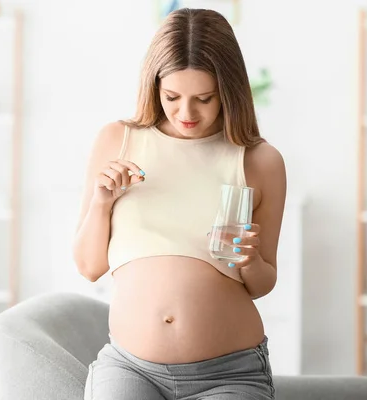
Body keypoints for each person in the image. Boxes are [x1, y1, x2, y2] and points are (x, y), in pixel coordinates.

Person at [72, 7, 286, 400]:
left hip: (229, 373)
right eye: (172, 96)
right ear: (153, 86)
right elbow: (89, 267)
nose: (186, 113)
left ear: (229, 91)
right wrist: (102, 202)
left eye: (204, 98)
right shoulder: (116, 141)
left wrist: (252, 261)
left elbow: (262, 284)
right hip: (130, 367)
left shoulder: (259, 161)